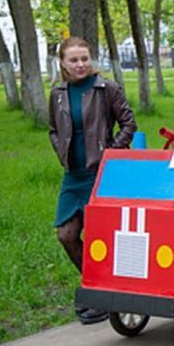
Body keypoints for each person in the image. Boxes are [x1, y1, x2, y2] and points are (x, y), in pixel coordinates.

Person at [48, 36, 136, 324]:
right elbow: (52, 129)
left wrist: (112, 153)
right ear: (63, 63)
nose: (81, 64)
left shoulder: (106, 88)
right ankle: (97, 285)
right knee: (67, 235)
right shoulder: (58, 92)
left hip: (102, 175)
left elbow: (128, 123)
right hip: (73, 177)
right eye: (73, 60)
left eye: (85, 58)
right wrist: (61, 151)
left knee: (104, 238)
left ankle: (105, 293)